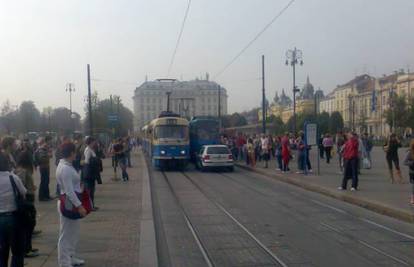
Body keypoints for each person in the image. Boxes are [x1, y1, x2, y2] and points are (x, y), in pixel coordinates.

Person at [56, 142, 88, 267]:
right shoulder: (65, 169)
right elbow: (69, 191)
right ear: (71, 153)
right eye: (75, 151)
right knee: (65, 234)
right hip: (68, 203)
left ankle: (70, 257)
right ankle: (64, 262)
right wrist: (79, 206)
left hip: (68, 201)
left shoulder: (65, 165)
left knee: (72, 233)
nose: (76, 153)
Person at [0, 151, 27, 267]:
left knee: (1, 252)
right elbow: (24, 192)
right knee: (17, 251)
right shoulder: (13, 177)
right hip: (13, 218)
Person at [15, 151, 39, 258]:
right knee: (28, 225)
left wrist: (31, 186)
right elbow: (20, 187)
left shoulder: (22, 170)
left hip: (28, 198)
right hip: (26, 200)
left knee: (29, 225)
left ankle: (28, 247)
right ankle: (26, 249)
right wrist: (28, 189)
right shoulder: (22, 171)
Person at [82, 137, 99, 210]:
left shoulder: (90, 149)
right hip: (89, 172)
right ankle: (89, 206)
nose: (94, 143)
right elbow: (87, 161)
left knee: (92, 190)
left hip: (91, 171)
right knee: (89, 190)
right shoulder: (88, 150)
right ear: (90, 142)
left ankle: (91, 205)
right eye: (93, 142)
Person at [34, 137, 53, 201]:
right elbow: (42, 159)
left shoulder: (44, 149)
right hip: (43, 167)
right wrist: (48, 154)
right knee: (44, 182)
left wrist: (48, 153)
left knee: (46, 181)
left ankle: (47, 195)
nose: (48, 144)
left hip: (46, 167)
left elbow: (50, 155)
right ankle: (42, 197)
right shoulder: (41, 149)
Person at [403, 139, 414, 205]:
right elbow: (404, 162)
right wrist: (412, 163)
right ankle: (412, 198)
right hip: (412, 171)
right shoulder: (410, 153)